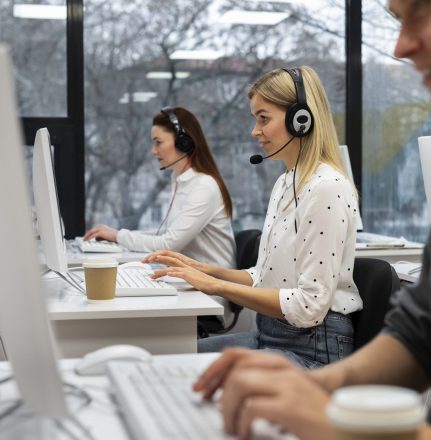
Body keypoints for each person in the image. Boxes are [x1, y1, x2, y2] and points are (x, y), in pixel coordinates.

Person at [191, 0, 431, 438]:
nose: (401, 47)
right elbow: (420, 336)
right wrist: (311, 387)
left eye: (420, 10)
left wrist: (347, 426)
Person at [145, 66, 362, 368]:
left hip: (314, 349)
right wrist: (204, 270)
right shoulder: (287, 182)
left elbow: (309, 306)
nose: (255, 130)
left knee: (190, 374)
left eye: (263, 118)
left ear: (301, 120)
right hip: (270, 334)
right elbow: (262, 277)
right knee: (173, 360)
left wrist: (216, 287)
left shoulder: (326, 187)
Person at [83, 107, 235, 269]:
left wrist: (118, 236)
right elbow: (166, 235)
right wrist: (116, 235)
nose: (153, 151)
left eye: (158, 142)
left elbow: (168, 244)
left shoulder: (203, 187)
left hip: (211, 288)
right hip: (190, 277)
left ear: (184, 143)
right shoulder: (181, 180)